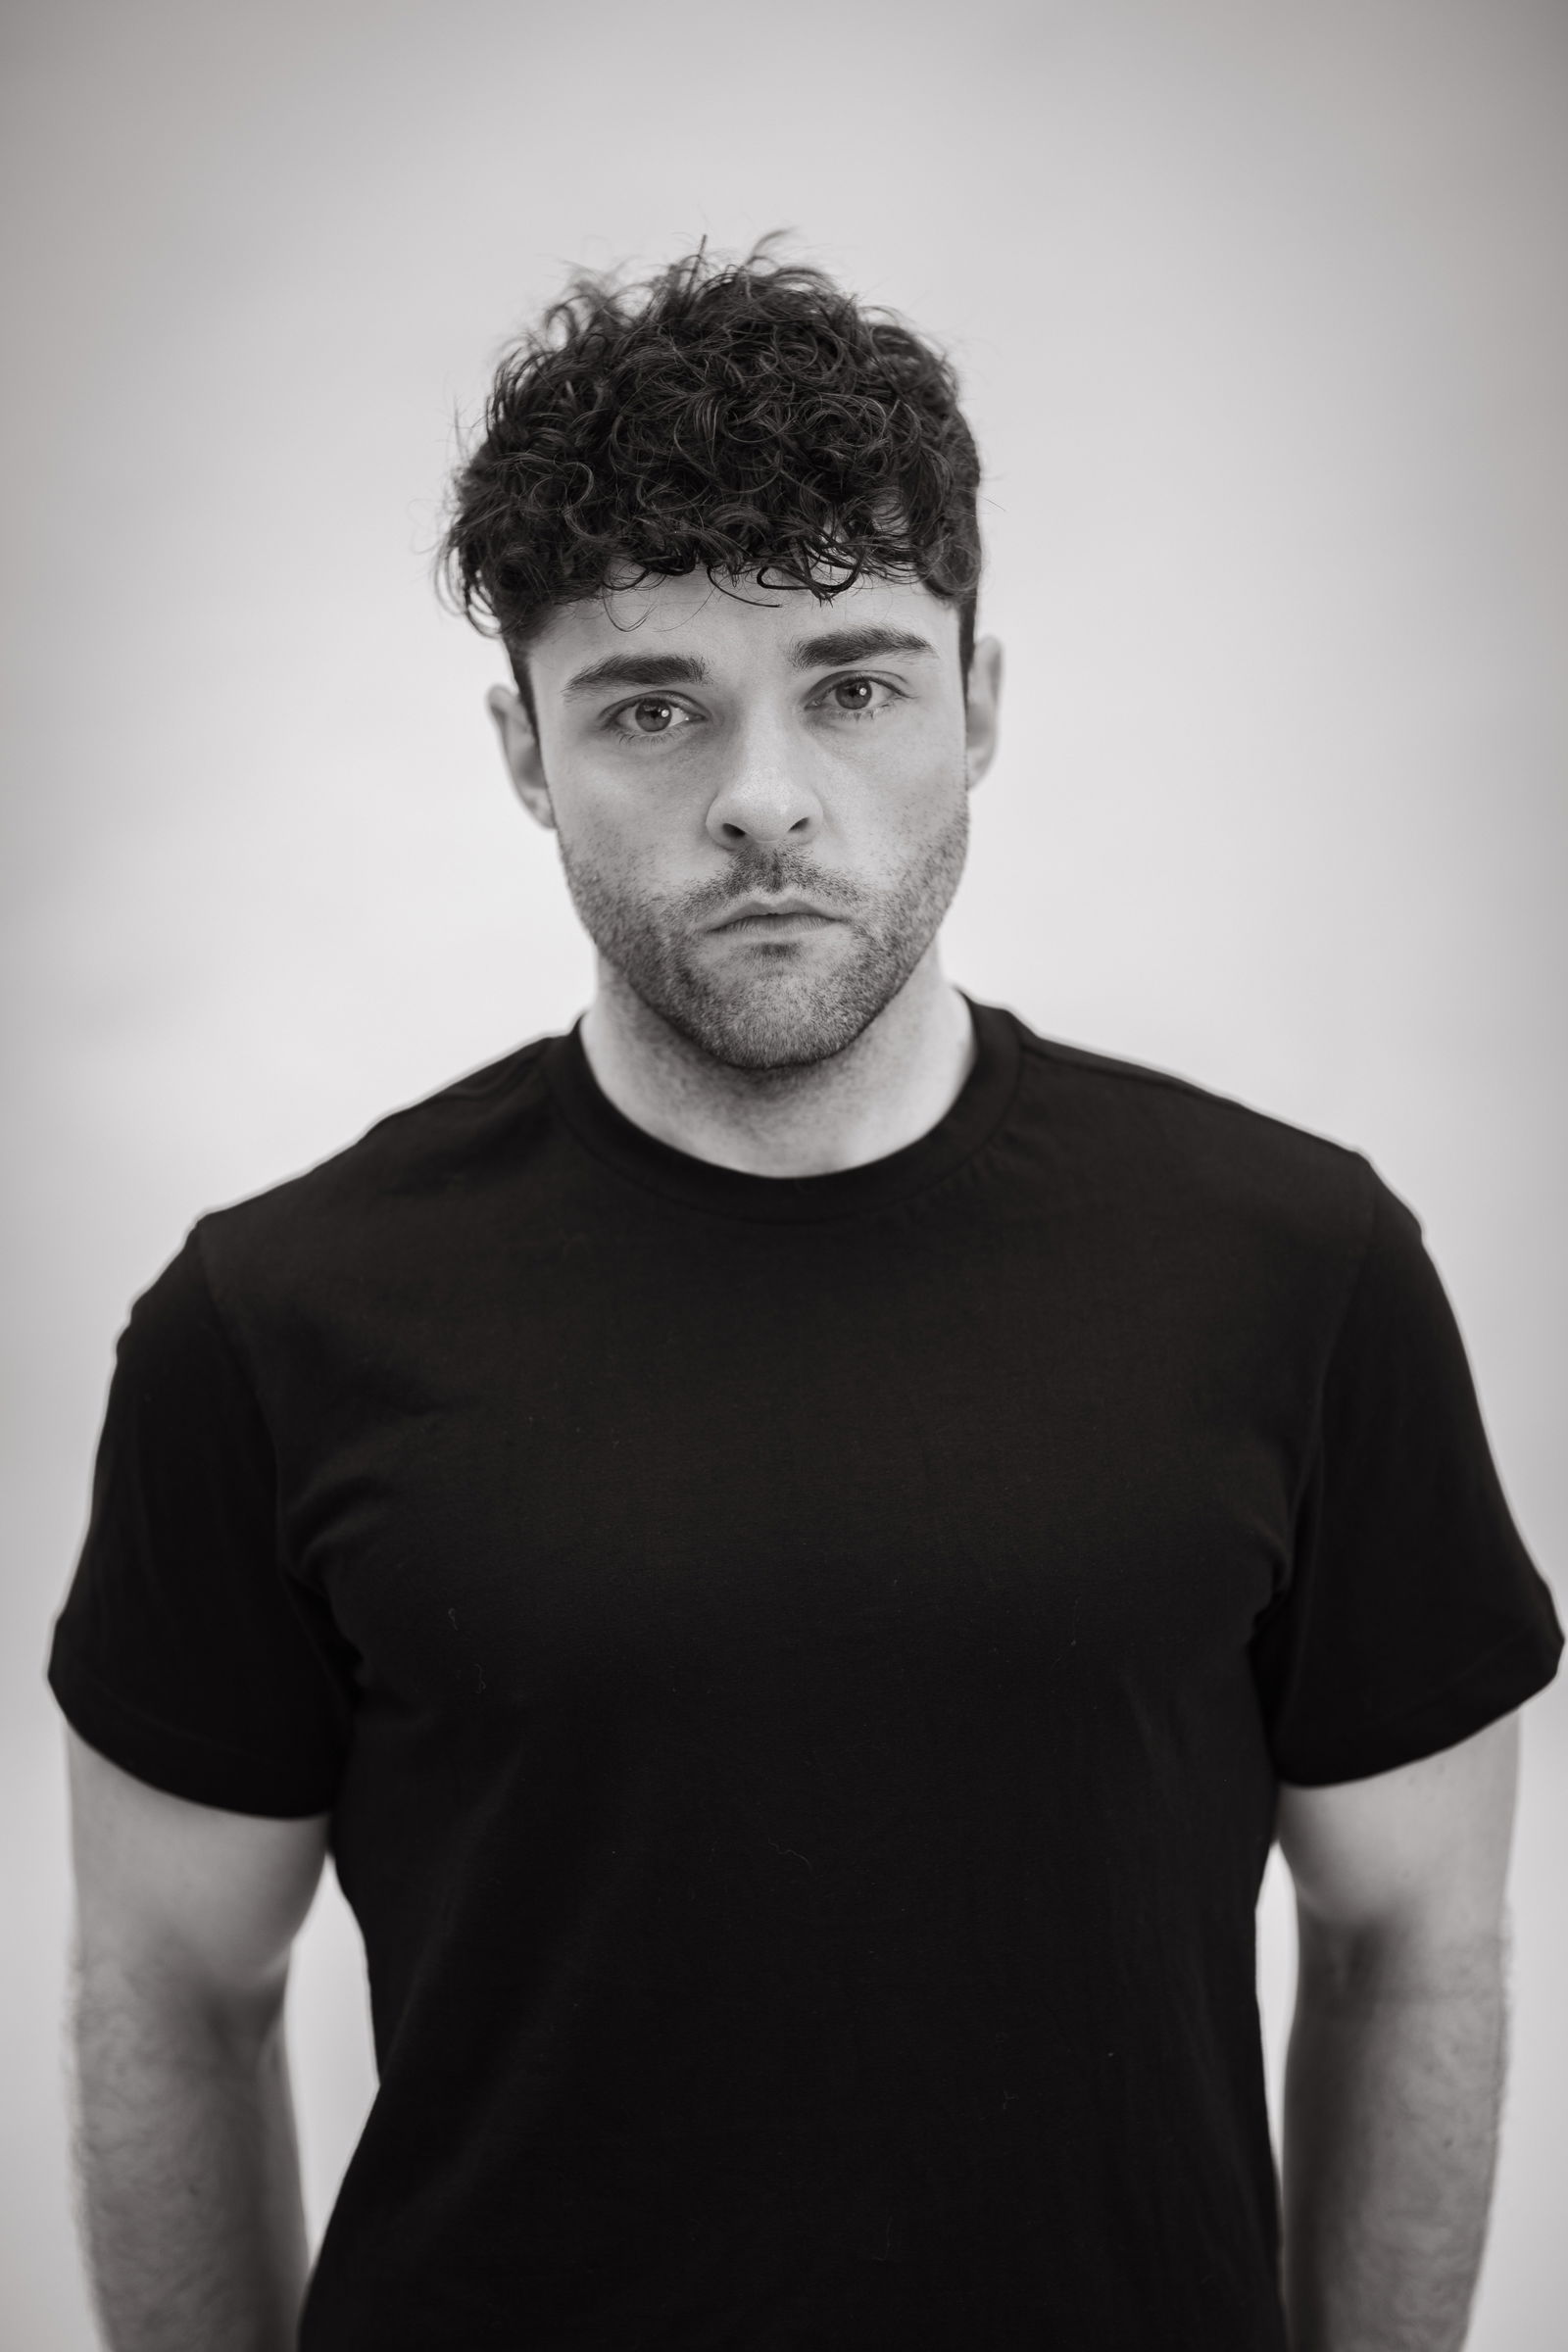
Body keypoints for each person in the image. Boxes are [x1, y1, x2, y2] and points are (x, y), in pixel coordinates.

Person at [48, 238, 1562, 2352]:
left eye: (853, 684)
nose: (762, 798)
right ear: (523, 750)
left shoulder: (1301, 1272)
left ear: (979, 704)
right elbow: (172, 1990)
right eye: (651, 706)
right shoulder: (268, 1323)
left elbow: (1414, 1946)